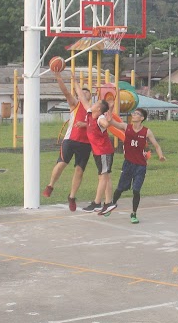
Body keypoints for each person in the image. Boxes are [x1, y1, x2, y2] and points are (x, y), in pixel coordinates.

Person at [42, 72, 91, 212]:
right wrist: (58, 77)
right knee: (61, 163)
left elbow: (98, 125)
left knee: (79, 171)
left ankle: (72, 197)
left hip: (86, 144)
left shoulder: (94, 110)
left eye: (87, 91)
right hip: (70, 140)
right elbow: (65, 92)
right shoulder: (75, 104)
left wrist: (85, 125)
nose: (84, 92)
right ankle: (50, 185)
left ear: (91, 96)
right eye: (82, 91)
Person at [108, 108, 165, 223]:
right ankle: (111, 205)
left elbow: (157, 145)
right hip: (128, 164)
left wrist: (160, 156)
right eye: (133, 113)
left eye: (137, 114)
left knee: (136, 190)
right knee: (120, 189)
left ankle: (133, 214)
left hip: (140, 166)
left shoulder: (147, 132)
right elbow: (113, 123)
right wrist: (109, 116)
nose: (133, 115)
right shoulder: (126, 127)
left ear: (142, 118)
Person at [72, 79, 115, 216]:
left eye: (96, 103)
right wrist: (74, 81)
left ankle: (97, 203)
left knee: (103, 176)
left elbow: (106, 124)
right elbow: (81, 96)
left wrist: (109, 117)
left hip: (104, 152)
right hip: (98, 152)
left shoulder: (100, 118)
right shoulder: (90, 113)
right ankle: (109, 202)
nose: (93, 103)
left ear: (99, 108)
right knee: (105, 176)